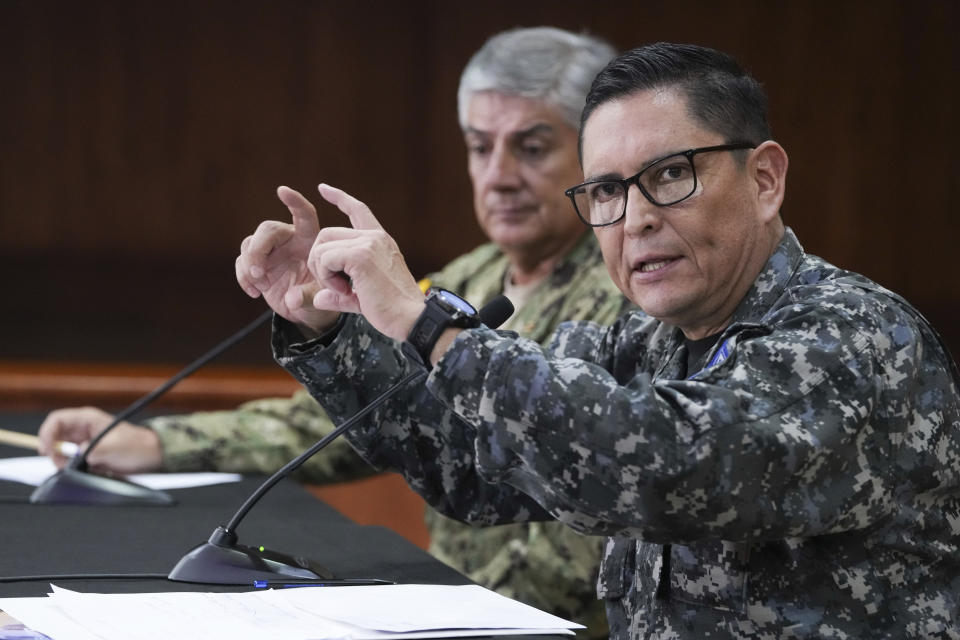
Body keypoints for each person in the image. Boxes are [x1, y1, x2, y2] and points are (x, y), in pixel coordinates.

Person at [234, 43, 960, 636]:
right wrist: (327, 326)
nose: (634, 218)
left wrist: (434, 328)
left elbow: (667, 464)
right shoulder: (647, 342)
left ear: (765, 180)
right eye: (607, 191)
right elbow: (464, 461)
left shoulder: (856, 335)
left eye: (670, 175)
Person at [38, 27, 629, 637]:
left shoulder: (632, 291)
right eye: (481, 148)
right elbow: (349, 422)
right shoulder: (462, 279)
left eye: (531, 148)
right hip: (456, 610)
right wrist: (162, 444)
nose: (500, 175)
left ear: (595, 157)